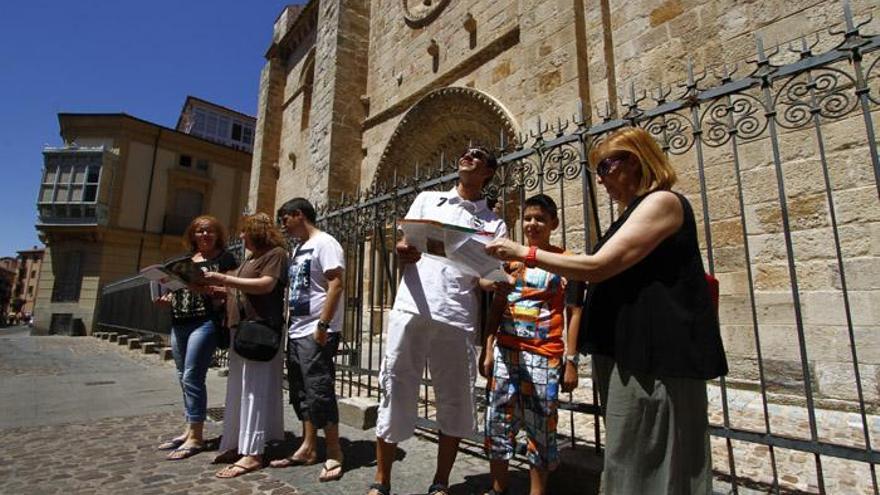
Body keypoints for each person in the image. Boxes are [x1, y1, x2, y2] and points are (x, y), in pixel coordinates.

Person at [486, 126, 728, 495]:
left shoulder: (663, 202)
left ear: (634, 162)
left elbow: (597, 266)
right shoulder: (632, 213)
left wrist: (525, 253)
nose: (600, 181)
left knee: (652, 462)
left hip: (656, 359)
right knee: (631, 460)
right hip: (629, 356)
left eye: (605, 168)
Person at [368, 146, 508, 495]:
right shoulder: (429, 200)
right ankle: (381, 481)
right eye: (465, 153)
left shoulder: (494, 222)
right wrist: (403, 250)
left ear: (488, 171)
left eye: (477, 155)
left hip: (457, 313)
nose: (467, 156)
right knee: (396, 387)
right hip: (413, 306)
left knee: (455, 396)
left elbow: (487, 277)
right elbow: (404, 244)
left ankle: (441, 481)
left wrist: (502, 278)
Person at [480, 194, 584, 495]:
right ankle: (498, 489)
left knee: (541, 427)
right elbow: (496, 305)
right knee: (498, 422)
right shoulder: (510, 262)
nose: (532, 224)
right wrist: (488, 349)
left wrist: (572, 362)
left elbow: (574, 311)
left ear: (554, 223)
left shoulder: (567, 261)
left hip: (545, 357)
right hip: (506, 353)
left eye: (540, 218)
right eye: (527, 218)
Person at [203, 213, 288, 478]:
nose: (240, 236)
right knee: (238, 389)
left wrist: (225, 280)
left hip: (259, 330)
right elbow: (241, 289)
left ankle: (253, 453)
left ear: (256, 231)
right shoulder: (250, 258)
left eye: (244, 231)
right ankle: (237, 443)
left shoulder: (275, 254)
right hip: (240, 329)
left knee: (255, 390)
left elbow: (266, 285)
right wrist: (215, 288)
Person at [269, 197, 346, 483]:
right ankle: (308, 446)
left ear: (298, 215)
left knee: (319, 389)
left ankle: (335, 451)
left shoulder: (326, 243)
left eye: (284, 219)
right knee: (301, 392)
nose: (283, 226)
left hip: (316, 329)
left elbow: (336, 283)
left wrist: (323, 325)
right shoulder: (299, 248)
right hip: (297, 329)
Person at [154, 215, 237, 460]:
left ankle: (197, 437)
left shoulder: (225, 259)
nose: (205, 235)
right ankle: (189, 428)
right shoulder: (185, 261)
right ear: (193, 235)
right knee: (182, 376)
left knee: (192, 375)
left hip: (206, 321)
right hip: (180, 321)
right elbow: (176, 290)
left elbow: (233, 290)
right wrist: (166, 298)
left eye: (210, 231)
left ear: (217, 234)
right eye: (200, 231)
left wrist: (207, 288)